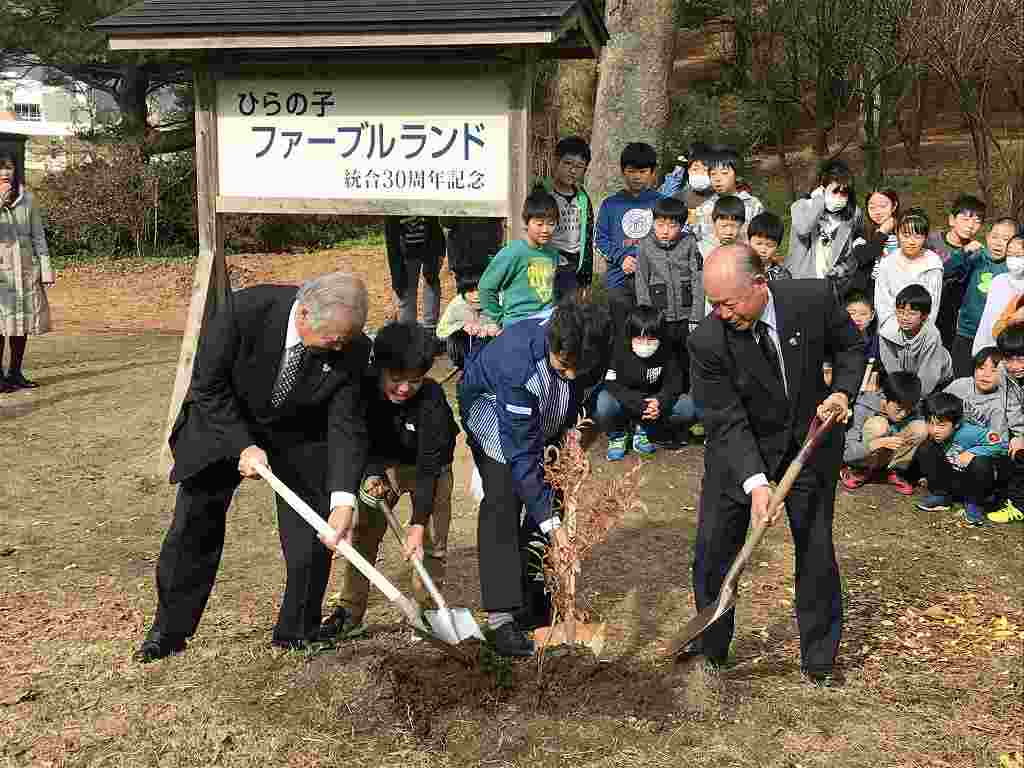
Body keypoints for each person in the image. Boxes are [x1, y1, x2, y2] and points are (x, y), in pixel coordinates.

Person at [134, 272, 371, 662]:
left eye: (346, 339)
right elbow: (208, 387)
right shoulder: (242, 311)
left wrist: (343, 497)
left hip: (299, 433)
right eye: (333, 337)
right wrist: (243, 445)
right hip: (224, 422)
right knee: (194, 524)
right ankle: (168, 630)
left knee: (313, 528)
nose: (339, 346)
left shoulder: (351, 348)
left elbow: (347, 424)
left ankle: (297, 627)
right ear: (306, 314)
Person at [686, 243, 865, 686]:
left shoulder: (813, 299)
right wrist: (756, 484)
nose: (722, 313)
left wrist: (842, 391)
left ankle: (820, 658)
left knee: (816, 549)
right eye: (713, 305)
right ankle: (712, 646)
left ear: (760, 285)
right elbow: (725, 420)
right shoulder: (707, 340)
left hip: (809, 443)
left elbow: (851, 347)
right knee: (713, 551)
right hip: (740, 453)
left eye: (728, 303)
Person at [458, 301, 611, 656]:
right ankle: (502, 618)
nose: (573, 374)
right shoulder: (518, 363)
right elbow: (522, 458)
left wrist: (577, 432)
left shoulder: (591, 337)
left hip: (548, 413)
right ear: (553, 345)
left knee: (552, 494)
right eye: (565, 365)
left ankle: (535, 598)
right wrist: (554, 527)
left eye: (580, 366)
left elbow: (586, 389)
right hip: (495, 416)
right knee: (505, 498)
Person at [334, 322, 459, 638]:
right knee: (364, 533)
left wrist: (417, 523)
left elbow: (431, 463)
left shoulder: (431, 398)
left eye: (414, 381)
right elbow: (359, 440)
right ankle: (349, 611)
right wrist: (373, 471)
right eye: (396, 378)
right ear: (380, 369)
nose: (405, 388)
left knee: (431, 544)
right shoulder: (364, 392)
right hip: (384, 465)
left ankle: (429, 615)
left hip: (430, 470)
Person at [596, 305, 700, 460]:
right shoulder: (618, 348)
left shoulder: (667, 350)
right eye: (639, 338)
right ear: (630, 336)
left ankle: (644, 430)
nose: (645, 344)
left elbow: (675, 383)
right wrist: (638, 403)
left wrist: (660, 401)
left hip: (653, 402)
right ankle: (617, 435)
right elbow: (611, 383)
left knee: (688, 407)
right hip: (627, 401)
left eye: (651, 339)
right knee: (604, 402)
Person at [635, 196, 702, 390]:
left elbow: (698, 278)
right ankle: (663, 392)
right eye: (660, 224)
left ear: (681, 226)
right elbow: (641, 280)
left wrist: (696, 316)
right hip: (659, 314)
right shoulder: (645, 246)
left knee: (687, 355)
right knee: (662, 356)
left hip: (685, 314)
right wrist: (647, 316)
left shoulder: (689, 243)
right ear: (653, 222)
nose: (665, 231)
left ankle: (691, 392)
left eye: (672, 226)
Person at [0, 149, 54, 392]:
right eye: (0, 167)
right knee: (2, 324)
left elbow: (38, 236)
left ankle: (15, 373)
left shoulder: (28, 198)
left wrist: (45, 270)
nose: (5, 172)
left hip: (25, 269)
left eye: (9, 167)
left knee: (22, 323)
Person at [595, 142, 664, 330]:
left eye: (642, 171)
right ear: (623, 171)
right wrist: (621, 258)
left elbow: (669, 237)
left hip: (654, 279)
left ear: (652, 172)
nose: (637, 176)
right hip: (619, 280)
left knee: (652, 331)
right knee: (620, 331)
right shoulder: (611, 204)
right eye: (631, 171)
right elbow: (600, 240)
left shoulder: (661, 203)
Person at [914, 392, 1006, 525]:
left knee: (981, 462)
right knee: (925, 449)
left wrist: (974, 452)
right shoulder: (933, 435)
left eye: (941, 425)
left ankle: (974, 503)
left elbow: (1002, 445)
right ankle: (942, 496)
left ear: (956, 424)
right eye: (930, 423)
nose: (934, 430)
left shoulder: (970, 432)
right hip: (954, 478)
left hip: (975, 481)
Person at [944, 217, 1017, 377]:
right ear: (987, 237)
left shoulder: (1013, 266)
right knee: (961, 378)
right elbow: (947, 271)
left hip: (996, 337)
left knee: (989, 380)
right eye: (995, 237)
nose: (998, 243)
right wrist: (963, 252)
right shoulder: (976, 257)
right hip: (966, 332)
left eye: (1006, 239)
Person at [478, 189, 560, 327]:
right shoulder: (513, 252)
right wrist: (500, 319)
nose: (545, 229)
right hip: (518, 325)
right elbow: (486, 288)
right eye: (539, 224)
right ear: (527, 222)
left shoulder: (552, 252)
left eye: (551, 224)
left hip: (546, 324)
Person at [786, 160, 865, 301]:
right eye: (835, 191)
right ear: (823, 188)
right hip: (801, 285)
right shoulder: (802, 206)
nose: (839, 197)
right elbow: (803, 229)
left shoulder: (852, 215)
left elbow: (853, 251)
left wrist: (841, 270)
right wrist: (819, 201)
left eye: (844, 193)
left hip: (832, 287)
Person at [840, 371, 927, 493]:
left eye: (908, 410)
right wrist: (876, 444)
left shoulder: (911, 406)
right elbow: (846, 453)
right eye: (899, 409)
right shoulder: (863, 407)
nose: (903, 414)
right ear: (885, 398)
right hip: (862, 456)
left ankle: (893, 471)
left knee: (921, 428)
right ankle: (859, 469)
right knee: (878, 425)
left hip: (887, 457)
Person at [926, 194, 987, 351]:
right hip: (927, 309)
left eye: (977, 221)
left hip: (954, 320)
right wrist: (963, 252)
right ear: (952, 220)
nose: (971, 226)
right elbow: (937, 273)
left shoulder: (977, 252)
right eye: (966, 219)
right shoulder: (931, 241)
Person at [539, 136, 595, 301]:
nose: (573, 170)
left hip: (575, 265)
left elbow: (587, 237)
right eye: (568, 163)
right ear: (556, 161)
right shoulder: (543, 192)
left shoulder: (583, 198)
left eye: (579, 166)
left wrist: (586, 279)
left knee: (570, 315)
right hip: (547, 262)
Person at [874, 208, 943, 333]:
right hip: (891, 333)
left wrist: (920, 333)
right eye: (906, 235)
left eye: (917, 236)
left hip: (921, 333)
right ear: (897, 233)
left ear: (925, 237)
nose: (911, 241)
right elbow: (882, 302)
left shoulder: (933, 263)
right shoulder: (887, 263)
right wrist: (895, 330)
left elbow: (933, 305)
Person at [878, 284, 953, 396]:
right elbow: (892, 367)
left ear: (924, 316)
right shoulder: (887, 332)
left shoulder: (931, 335)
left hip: (938, 381)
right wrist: (900, 392)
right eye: (900, 312)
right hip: (907, 378)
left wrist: (915, 398)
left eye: (912, 313)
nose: (905, 318)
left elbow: (929, 375)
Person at [384, 216, 446, 338]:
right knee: (406, 290)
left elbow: (436, 226)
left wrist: (440, 251)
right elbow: (391, 238)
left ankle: (430, 330)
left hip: (430, 247)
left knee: (431, 282)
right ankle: (407, 333)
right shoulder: (392, 211)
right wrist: (397, 277)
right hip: (405, 253)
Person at [691, 145, 764, 244]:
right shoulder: (704, 208)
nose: (717, 179)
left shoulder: (753, 205)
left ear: (737, 175)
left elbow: (761, 239)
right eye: (713, 174)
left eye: (724, 173)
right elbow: (698, 239)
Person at [990, 327, 1024, 524]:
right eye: (1009, 359)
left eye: (1020, 359)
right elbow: (1010, 406)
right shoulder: (1004, 371)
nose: (1014, 366)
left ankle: (1018, 507)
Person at [973, 234, 1024, 355]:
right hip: (992, 344)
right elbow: (987, 319)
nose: (1013, 259)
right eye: (1010, 254)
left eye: (1018, 255)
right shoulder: (999, 281)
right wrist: (979, 347)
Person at [944, 347, 1009, 440]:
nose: (986, 374)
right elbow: (937, 407)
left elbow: (999, 443)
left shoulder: (1000, 405)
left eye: (994, 370)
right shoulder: (959, 385)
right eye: (981, 368)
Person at [847, 188, 900, 301]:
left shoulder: (903, 232)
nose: (877, 212)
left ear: (894, 206)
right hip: (869, 291)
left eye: (883, 206)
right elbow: (864, 257)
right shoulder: (862, 233)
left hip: (897, 289)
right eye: (872, 207)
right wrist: (882, 232)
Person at [671, 142, 715, 224]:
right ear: (688, 171)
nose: (700, 174)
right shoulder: (677, 197)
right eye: (695, 169)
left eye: (705, 170)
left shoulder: (719, 199)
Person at [747, 212, 789, 281]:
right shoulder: (738, 270)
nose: (763, 250)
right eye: (759, 244)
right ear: (749, 242)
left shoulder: (782, 275)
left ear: (777, 246)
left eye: (770, 245)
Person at [845, 292, 880, 364]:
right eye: (852, 313)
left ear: (872, 315)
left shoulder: (878, 343)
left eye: (863, 314)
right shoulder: (838, 342)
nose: (857, 318)